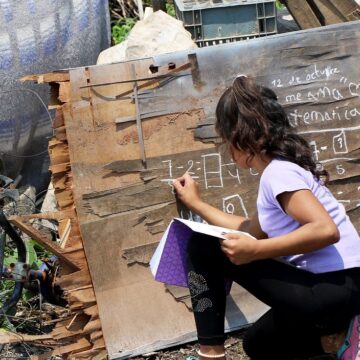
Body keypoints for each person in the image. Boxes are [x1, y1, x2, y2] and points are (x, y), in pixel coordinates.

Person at [172, 76, 360, 360]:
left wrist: (256, 251)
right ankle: (340, 346)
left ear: (242, 136)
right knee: (259, 343)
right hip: (342, 290)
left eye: (227, 140)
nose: (227, 150)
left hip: (332, 288)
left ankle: (210, 354)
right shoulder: (281, 172)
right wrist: (197, 205)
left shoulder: (278, 174)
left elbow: (325, 230)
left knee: (201, 245)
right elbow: (249, 229)